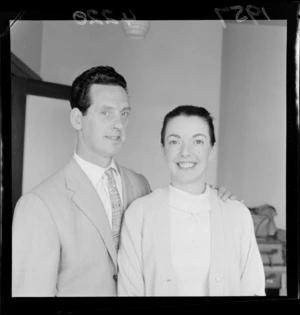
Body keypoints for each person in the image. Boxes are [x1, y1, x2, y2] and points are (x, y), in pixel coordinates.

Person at [12, 67, 236, 297]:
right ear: (78, 119)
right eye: (106, 113)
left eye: (124, 114)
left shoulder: (140, 185)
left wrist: (212, 199)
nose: (118, 124)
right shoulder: (39, 205)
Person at [117, 105, 265, 296]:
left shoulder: (237, 215)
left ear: (212, 150)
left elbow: (253, 290)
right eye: (174, 142)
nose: (185, 152)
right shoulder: (138, 214)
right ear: (163, 150)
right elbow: (129, 294)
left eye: (198, 141)